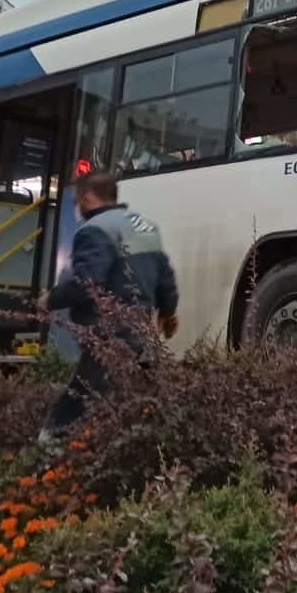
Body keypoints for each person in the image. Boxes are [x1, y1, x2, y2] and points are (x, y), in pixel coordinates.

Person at [39, 170, 178, 439]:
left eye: (78, 199)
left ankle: (44, 459)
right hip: (140, 335)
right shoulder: (145, 226)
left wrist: (50, 299)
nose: (77, 206)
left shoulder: (94, 230)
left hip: (107, 335)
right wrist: (168, 311)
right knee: (141, 401)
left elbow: (87, 283)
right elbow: (165, 277)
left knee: (72, 406)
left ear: (89, 198)